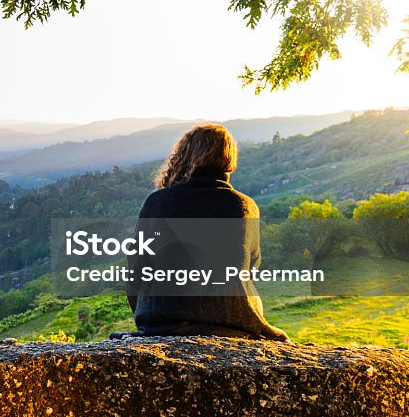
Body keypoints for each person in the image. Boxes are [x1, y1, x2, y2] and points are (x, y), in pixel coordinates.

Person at [115, 123, 289, 341]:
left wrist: (151, 312)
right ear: (229, 161)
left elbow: (136, 272)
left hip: (164, 321)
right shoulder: (246, 206)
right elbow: (249, 269)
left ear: (184, 155)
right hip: (235, 322)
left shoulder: (158, 202)